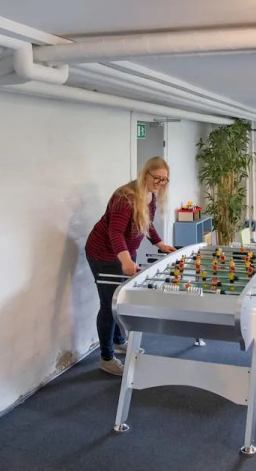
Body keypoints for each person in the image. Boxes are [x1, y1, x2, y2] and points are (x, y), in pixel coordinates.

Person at [85, 156, 176, 376]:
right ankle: (106, 358)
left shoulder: (150, 195)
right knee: (109, 304)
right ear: (145, 174)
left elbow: (146, 223)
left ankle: (118, 341)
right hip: (104, 253)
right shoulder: (125, 197)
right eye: (157, 178)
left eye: (164, 180)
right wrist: (126, 260)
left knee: (121, 300)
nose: (160, 183)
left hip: (125, 252)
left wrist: (160, 244)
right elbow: (115, 232)